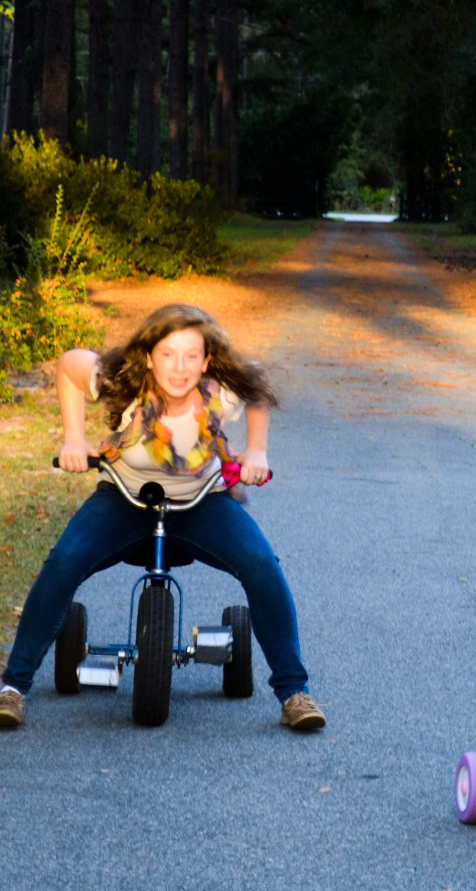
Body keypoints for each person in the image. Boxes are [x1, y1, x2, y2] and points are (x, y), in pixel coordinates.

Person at [0, 303, 325, 732]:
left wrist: (257, 450)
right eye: (168, 354)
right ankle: (13, 687)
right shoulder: (123, 380)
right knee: (64, 561)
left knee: (261, 563)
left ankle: (293, 692)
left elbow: (258, 380)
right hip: (125, 499)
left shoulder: (220, 391)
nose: (180, 367)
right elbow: (68, 365)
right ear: (149, 356)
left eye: (191, 356)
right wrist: (74, 438)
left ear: (206, 361)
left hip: (201, 502)